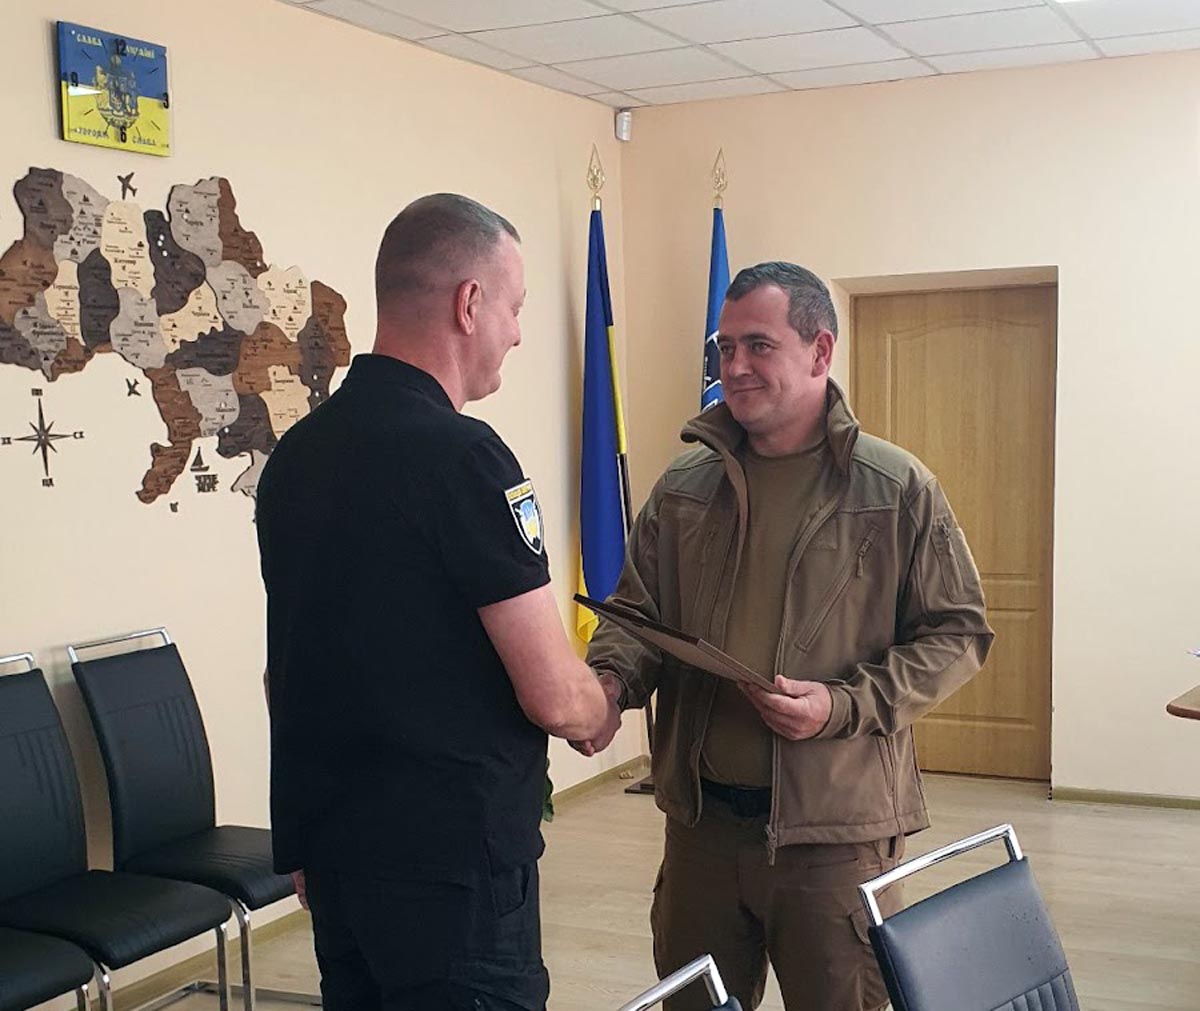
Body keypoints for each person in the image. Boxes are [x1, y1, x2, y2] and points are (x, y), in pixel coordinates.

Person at [584, 262, 994, 1011]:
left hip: (835, 841)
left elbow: (958, 631)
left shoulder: (896, 488)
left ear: (820, 350)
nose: (734, 366)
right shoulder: (683, 487)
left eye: (759, 345)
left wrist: (841, 705)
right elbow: (635, 615)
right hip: (701, 829)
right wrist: (609, 682)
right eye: (725, 347)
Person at [257, 193, 620, 1011]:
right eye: (516, 308)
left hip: (338, 859)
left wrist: (307, 833)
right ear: (469, 303)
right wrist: (603, 703)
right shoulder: (464, 458)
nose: (518, 333)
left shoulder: (297, 457)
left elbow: (287, 671)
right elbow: (553, 692)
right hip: (452, 875)